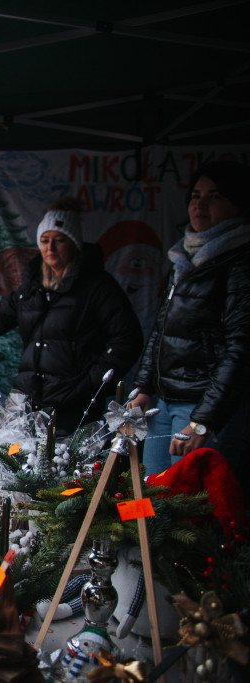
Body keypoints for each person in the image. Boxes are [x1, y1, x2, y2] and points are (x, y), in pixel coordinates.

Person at [0, 197, 143, 434]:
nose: (51, 248)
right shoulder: (32, 287)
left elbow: (128, 340)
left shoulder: (97, 286)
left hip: (73, 404)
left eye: (59, 240)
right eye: (45, 240)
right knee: (14, 452)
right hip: (27, 398)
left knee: (66, 458)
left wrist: (91, 383)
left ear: (74, 244)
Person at [130, 160, 250, 483]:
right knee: (152, 496)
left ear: (237, 204)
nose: (200, 204)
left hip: (202, 407)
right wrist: (144, 387)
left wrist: (204, 420)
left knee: (191, 505)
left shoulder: (239, 264)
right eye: (196, 196)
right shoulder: (183, 258)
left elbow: (240, 350)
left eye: (214, 197)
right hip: (164, 403)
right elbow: (161, 331)